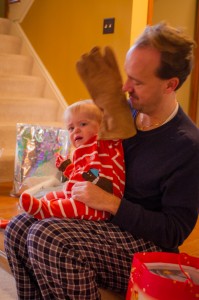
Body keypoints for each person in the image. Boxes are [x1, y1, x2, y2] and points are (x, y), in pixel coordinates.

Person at [4, 22, 199, 300]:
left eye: (138, 81)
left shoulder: (187, 145)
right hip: (101, 221)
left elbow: (173, 232)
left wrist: (110, 203)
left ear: (170, 85)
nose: (126, 86)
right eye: (127, 75)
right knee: (19, 228)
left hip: (146, 244)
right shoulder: (119, 114)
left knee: (48, 236)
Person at [19, 99, 130, 221]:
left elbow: (93, 175)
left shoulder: (104, 143)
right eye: (71, 128)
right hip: (80, 192)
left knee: (70, 206)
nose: (76, 130)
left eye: (83, 124)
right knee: (50, 196)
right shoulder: (80, 152)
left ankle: (46, 210)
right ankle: (38, 212)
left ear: (101, 126)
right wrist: (67, 167)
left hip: (99, 206)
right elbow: (83, 174)